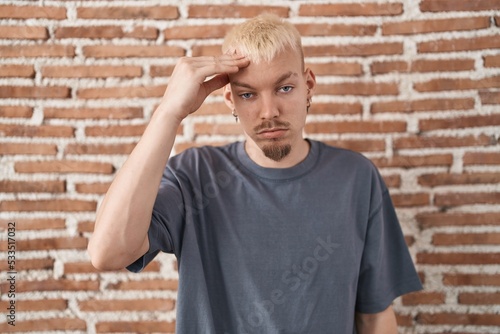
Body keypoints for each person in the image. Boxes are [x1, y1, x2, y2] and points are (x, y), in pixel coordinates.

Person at [88, 14, 422, 334]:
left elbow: (375, 317)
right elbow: (108, 252)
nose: (268, 112)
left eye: (284, 88)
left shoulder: (357, 178)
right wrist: (169, 112)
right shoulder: (195, 176)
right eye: (248, 94)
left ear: (308, 85)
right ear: (230, 100)